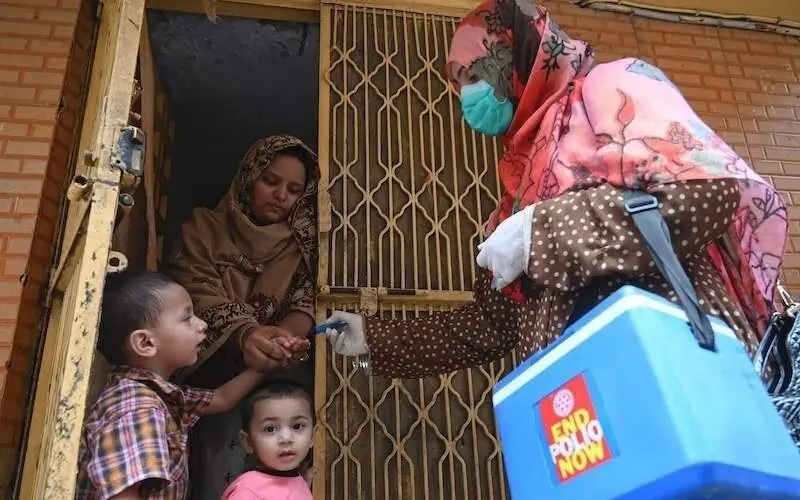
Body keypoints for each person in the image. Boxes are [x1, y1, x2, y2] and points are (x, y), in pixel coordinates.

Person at [322, 0, 788, 379]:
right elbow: (490, 326)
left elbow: (704, 192)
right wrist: (370, 341)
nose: (466, 95)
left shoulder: (612, 87)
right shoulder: (521, 186)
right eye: (458, 83)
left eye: (472, 75)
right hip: (580, 410)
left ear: (514, 53)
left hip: (674, 369)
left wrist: (542, 231)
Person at [163, 135, 319, 498]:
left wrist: (284, 338)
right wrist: (246, 334)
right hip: (211, 380)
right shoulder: (203, 230)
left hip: (273, 381)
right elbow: (191, 286)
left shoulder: (301, 247)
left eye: (295, 189)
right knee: (213, 472)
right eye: (271, 181)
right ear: (248, 177)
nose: (281, 195)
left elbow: (305, 298)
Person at [75, 271, 281, 499]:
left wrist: (266, 364)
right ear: (146, 342)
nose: (202, 324)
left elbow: (221, 399)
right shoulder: (138, 408)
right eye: (186, 318)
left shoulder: (157, 394)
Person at [221, 379, 315, 500]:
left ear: (313, 436)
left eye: (297, 426)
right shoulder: (248, 491)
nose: (286, 438)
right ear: (248, 441)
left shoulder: (297, 480)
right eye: (270, 429)